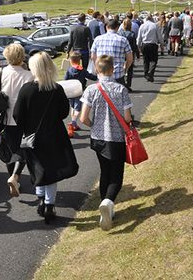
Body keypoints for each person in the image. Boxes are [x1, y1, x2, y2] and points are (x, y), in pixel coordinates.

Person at [13, 52, 76, 223]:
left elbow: (17, 115)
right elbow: (64, 113)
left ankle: (41, 199)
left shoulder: (26, 90)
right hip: (55, 134)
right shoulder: (56, 88)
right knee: (52, 171)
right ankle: (49, 204)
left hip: (33, 137)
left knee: (38, 169)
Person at [80, 55, 133, 231]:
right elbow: (127, 117)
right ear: (112, 70)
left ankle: (106, 206)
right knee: (116, 175)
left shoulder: (91, 89)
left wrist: (94, 125)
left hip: (98, 138)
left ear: (97, 70)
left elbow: (83, 118)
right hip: (116, 138)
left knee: (104, 172)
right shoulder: (121, 89)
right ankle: (108, 202)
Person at [0, 43, 34, 197]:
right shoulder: (29, 75)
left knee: (10, 151)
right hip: (24, 119)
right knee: (24, 150)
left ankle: (13, 178)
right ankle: (15, 176)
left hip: (4, 118)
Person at [90, 17, 133, 87]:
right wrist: (125, 69)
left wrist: (97, 68)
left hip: (102, 74)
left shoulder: (98, 39)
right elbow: (130, 58)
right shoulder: (123, 40)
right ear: (117, 28)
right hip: (118, 74)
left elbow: (93, 56)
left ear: (106, 27)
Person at [64, 50, 96, 137]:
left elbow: (65, 80)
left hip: (71, 91)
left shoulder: (69, 70)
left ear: (70, 60)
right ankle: (73, 122)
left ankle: (73, 123)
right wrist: (97, 76)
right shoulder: (82, 70)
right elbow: (91, 77)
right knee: (78, 108)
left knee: (73, 107)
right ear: (79, 60)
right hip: (79, 91)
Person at [137, 14, 161, 82]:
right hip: (153, 44)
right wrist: (162, 44)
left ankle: (146, 73)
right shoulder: (155, 25)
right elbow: (159, 36)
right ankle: (151, 72)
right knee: (154, 60)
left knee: (146, 60)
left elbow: (139, 37)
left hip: (144, 44)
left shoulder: (142, 26)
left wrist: (138, 46)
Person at [117, 17, 138, 91]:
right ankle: (128, 84)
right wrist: (137, 54)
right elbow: (134, 45)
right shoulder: (132, 34)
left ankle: (122, 82)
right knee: (130, 69)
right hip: (130, 52)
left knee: (121, 68)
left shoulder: (119, 33)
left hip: (121, 53)